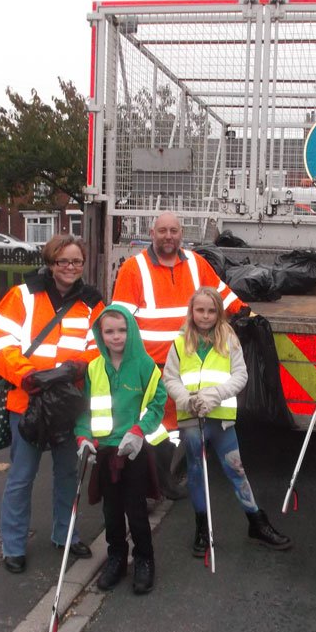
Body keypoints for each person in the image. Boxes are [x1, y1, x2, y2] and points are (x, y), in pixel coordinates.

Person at [0, 235, 104, 574]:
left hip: (68, 402)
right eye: (63, 261)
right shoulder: (22, 296)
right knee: (22, 476)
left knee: (68, 472)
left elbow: (101, 345)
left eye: (76, 262)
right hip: (28, 399)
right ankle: (13, 545)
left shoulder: (92, 302)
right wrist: (27, 376)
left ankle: (65, 535)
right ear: (51, 263)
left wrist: (78, 366)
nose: (70, 268)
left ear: (83, 265)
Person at [112, 212, 249, 499]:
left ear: (181, 232)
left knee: (175, 429)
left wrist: (245, 311)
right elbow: (121, 319)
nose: (168, 236)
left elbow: (219, 294)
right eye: (162, 230)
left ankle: (164, 481)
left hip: (183, 365)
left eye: (173, 230)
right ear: (152, 233)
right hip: (149, 368)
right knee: (151, 426)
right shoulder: (133, 269)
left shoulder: (195, 264)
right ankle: (145, 488)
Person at [163, 287, 291, 555]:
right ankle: (202, 527)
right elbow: (170, 378)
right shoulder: (179, 341)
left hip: (220, 421)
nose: (206, 316)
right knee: (197, 473)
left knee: (236, 470)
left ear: (219, 313)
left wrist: (215, 395)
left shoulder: (229, 338)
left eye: (212, 311)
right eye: (200, 310)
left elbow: (239, 377)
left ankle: (256, 521)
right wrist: (186, 400)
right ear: (192, 311)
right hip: (193, 421)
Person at [74, 304, 166, 593]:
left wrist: (139, 431)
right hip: (104, 453)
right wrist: (83, 437)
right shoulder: (94, 368)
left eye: (122, 330)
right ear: (100, 334)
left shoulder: (145, 366)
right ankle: (115, 558)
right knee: (111, 512)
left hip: (133, 451)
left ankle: (144, 559)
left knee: (136, 511)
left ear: (132, 330)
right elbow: (85, 411)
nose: (117, 337)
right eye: (109, 331)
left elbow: (157, 404)